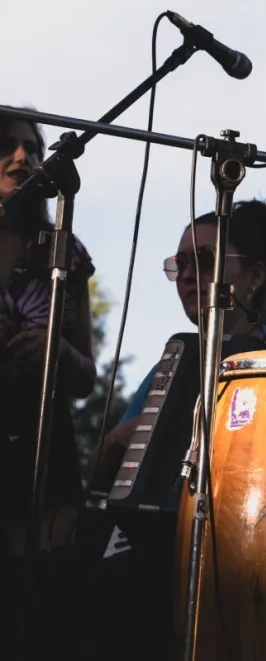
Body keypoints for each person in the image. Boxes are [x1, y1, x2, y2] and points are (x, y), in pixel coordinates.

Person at [80, 200, 266, 660]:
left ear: (254, 276)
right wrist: (118, 442)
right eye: (180, 264)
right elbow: (104, 478)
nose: (188, 275)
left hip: (255, 548)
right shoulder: (167, 368)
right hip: (156, 552)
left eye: (205, 261)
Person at [0, 114, 96, 654]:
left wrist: (58, 352)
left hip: (45, 446)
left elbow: (86, 377)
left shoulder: (62, 248)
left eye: (31, 147)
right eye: (7, 146)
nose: (22, 156)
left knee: (42, 608)